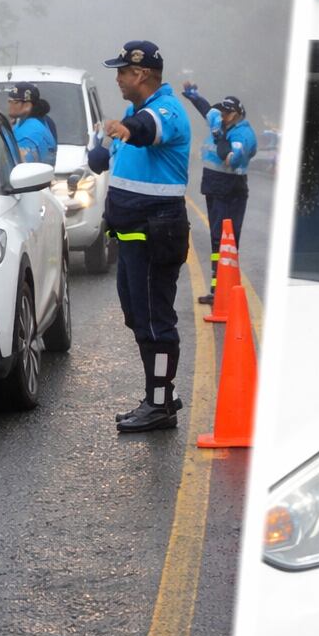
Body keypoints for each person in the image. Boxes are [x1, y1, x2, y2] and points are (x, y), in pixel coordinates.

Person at [86, 40, 191, 434]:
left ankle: (161, 405)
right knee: (137, 316)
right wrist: (103, 141)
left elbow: (147, 132)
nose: (117, 79)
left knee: (155, 321)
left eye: (122, 72)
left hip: (154, 235)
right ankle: (158, 394)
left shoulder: (165, 110)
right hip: (130, 237)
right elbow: (102, 161)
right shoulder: (134, 111)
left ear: (141, 74)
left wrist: (125, 128)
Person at [181, 81, 257, 305]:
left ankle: (227, 288)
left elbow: (231, 160)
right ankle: (217, 288)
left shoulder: (243, 135)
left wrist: (218, 136)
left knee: (227, 239)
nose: (223, 115)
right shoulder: (220, 122)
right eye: (222, 111)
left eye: (227, 112)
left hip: (230, 187)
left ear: (237, 114)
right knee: (216, 239)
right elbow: (208, 110)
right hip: (213, 186)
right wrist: (194, 96)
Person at [7, 82, 57, 166]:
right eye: (9, 101)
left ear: (27, 105)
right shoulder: (43, 121)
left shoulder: (27, 136)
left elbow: (23, 170)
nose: (10, 105)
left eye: (14, 102)